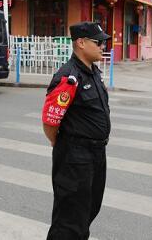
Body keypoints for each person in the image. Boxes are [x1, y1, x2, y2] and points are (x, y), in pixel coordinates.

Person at [42, 21, 111, 240]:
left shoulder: (93, 72)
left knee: (88, 210)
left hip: (96, 154)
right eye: (99, 42)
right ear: (81, 43)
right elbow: (50, 119)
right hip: (75, 156)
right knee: (69, 220)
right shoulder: (69, 77)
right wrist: (59, 143)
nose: (103, 47)